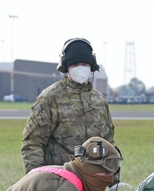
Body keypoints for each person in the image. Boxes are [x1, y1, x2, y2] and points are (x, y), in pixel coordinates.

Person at [20, 38, 115, 175]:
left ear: (92, 66)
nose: (80, 68)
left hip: (89, 183)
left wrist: (113, 182)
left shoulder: (99, 100)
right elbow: (32, 144)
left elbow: (108, 146)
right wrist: (37, 180)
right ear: (65, 67)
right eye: (75, 64)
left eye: (84, 63)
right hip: (57, 182)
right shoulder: (50, 97)